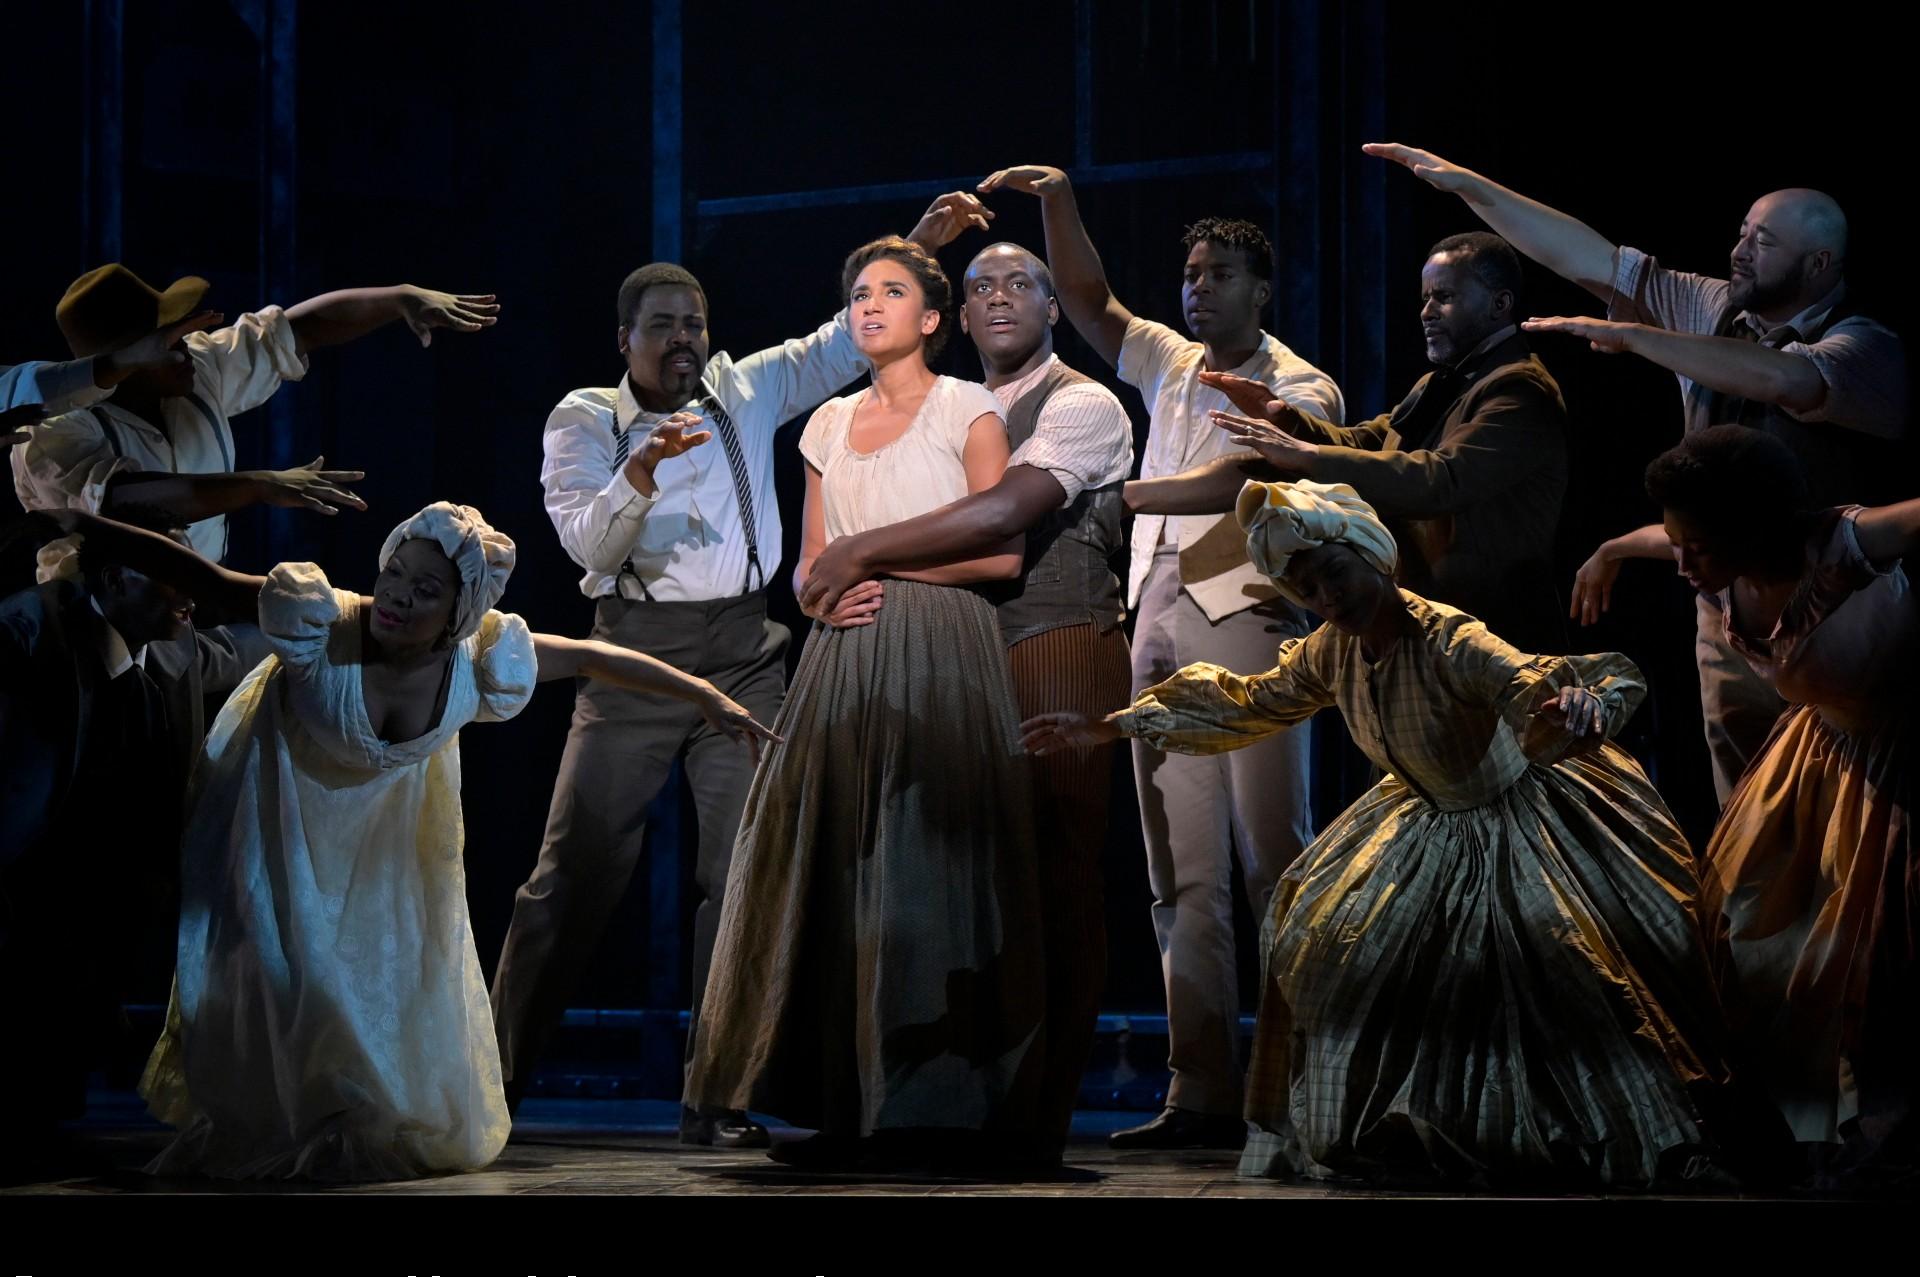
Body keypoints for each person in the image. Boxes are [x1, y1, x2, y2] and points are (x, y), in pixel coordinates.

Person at [1023, 481, 1747, 1189]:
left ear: (1373, 553)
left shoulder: (1448, 637)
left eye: (1334, 572)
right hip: (1423, 815)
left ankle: (1640, 1133)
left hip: (1513, 811)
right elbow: (1249, 701)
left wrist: (1573, 704)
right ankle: (1404, 1128)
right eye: (1307, 587)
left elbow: (1530, 682)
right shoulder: (1331, 650)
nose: (1327, 596)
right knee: (1319, 933)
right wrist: (1109, 725)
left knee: (1561, 963)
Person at [40, 503, 775, 1181]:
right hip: (279, 822)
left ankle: (341, 1117)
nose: (396, 596)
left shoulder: (483, 658)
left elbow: (590, 656)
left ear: (461, 612)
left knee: (373, 989)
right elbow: (205, 578)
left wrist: (703, 695)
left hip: (384, 846)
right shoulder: (321, 620)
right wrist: (79, 523)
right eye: (394, 573)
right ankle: (285, 1112)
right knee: (291, 981)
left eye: (425, 590)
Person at [494, 220, 951, 1146]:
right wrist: (643, 469)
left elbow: (836, 341)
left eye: (694, 323)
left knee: (742, 873)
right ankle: (491, 1078)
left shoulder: (747, 386)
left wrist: (921, 240)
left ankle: (720, 1093)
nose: (682, 340)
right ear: (624, 340)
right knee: (573, 873)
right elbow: (588, 545)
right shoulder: (584, 418)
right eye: (662, 325)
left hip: (746, 653)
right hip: (634, 658)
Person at [978, 163, 1344, 1149]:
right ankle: (1203, 1088)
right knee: (1179, 870)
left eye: (1219, 272)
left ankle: (1300, 1076)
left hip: (1249, 607)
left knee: (1271, 855)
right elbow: (1091, 302)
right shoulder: (1174, 362)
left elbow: (1248, 469)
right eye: (1190, 271)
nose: (1198, 286)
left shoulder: (1300, 382)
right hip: (1162, 605)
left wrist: (1138, 494)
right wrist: (1055, 198)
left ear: (1261, 290)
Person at [1368, 142, 1908, 801]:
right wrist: (1468, 186)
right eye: (1741, 233)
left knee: (1854, 813)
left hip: (1838, 618)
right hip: (1729, 614)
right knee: (1746, 813)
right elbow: (1588, 257)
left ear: (1818, 262)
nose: (1739, 250)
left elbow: (1785, 379)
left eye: (1762, 241)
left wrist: (1639, 338)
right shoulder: (1715, 311)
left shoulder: (1868, 346)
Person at [686, 236, 1045, 1173]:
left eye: (892, 292)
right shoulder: (826, 424)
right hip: (841, 651)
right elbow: (808, 566)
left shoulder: (969, 405)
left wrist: (867, 555)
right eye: (857, 294)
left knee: (925, 866)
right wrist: (823, 585)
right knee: (833, 864)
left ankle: (936, 1098)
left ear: (933, 319)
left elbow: (1001, 554)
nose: (869, 305)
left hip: (939, 646)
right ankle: (837, 1094)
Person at [796, 210, 1134, 1161]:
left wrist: (859, 553)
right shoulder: (948, 405)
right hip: (966, 653)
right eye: (977, 282)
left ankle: (1040, 1118)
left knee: (1058, 878)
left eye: (1017, 282)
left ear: (1055, 306)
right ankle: (953, 1100)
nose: (994, 296)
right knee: (962, 883)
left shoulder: (1081, 402)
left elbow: (1004, 514)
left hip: (1056, 640)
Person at [1612, 426, 1917, 1185]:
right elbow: (1664, 539)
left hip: (1897, 752)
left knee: (1876, 958)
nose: (1683, 564)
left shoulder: (1840, 546)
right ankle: (1780, 1132)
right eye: (1679, 543)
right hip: (1818, 755)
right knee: (1742, 920)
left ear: (1750, 530)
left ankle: (1878, 1149)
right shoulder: (1709, 561)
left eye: (1700, 548)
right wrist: (1610, 551)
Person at [1135, 232, 1570, 654]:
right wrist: (1283, 416)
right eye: (1425, 299)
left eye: (1445, 298)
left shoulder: (1520, 389)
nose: (1427, 312)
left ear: (1500, 304)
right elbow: (1370, 440)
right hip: (1437, 626)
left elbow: (1442, 480)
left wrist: (1309, 456)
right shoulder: (1445, 381)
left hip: (1498, 633)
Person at [0, 503, 253, 1164]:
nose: (190, 592)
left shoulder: (175, 651)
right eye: (170, 575)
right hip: (23, 877)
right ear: (114, 580)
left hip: (107, 895)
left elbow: (244, 649)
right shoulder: (34, 630)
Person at [12, 263, 496, 560]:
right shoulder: (52, 431)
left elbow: (295, 330)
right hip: (92, 621)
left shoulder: (193, 369)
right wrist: (258, 485)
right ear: (128, 361)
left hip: (189, 605)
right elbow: (120, 502)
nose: (186, 351)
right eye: (169, 343)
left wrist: (398, 298)